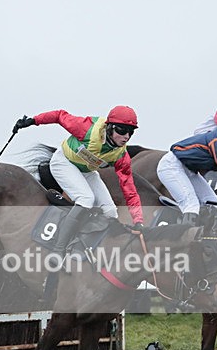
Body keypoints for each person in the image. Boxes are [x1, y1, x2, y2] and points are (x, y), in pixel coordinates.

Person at [13, 106, 145, 259]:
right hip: (63, 162)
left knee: (111, 212)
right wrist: (32, 121)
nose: (126, 137)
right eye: (122, 130)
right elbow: (59, 115)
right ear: (109, 127)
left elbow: (130, 190)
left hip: (86, 171)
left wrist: (138, 220)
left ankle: (86, 248)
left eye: (131, 132)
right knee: (86, 199)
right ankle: (59, 249)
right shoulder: (86, 128)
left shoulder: (121, 156)